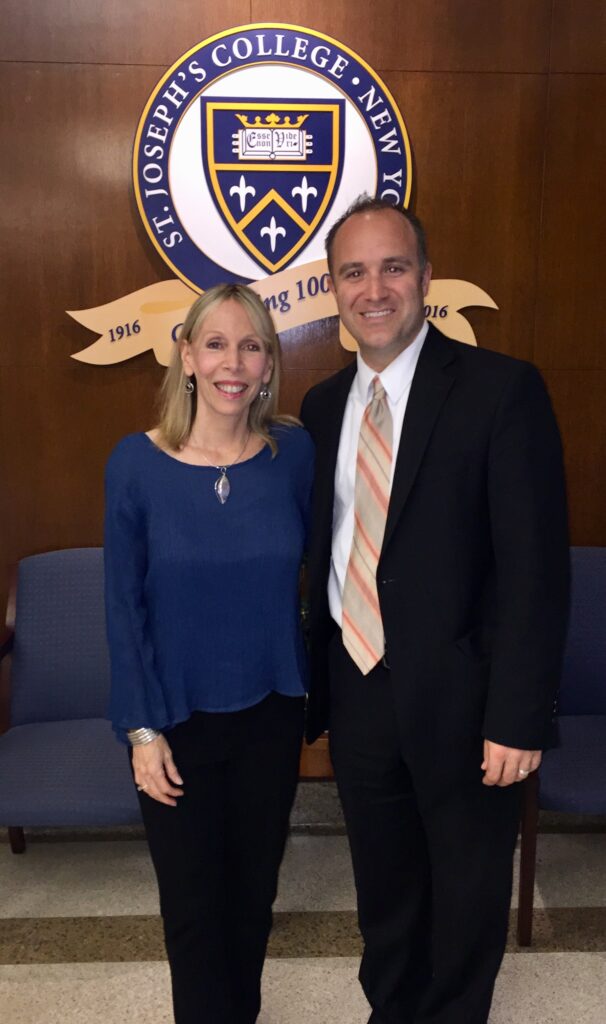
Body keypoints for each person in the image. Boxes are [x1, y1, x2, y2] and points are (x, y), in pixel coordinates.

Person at [300, 196, 569, 1024]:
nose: (373, 288)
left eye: (392, 267)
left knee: (466, 886)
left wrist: (518, 717)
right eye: (353, 272)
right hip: (359, 686)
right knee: (384, 882)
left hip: (468, 700)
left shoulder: (501, 391)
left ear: (424, 278)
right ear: (333, 289)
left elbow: (535, 569)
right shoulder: (318, 407)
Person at [104, 283, 314, 1024]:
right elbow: (122, 606)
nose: (234, 361)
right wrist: (140, 731)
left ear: (267, 363)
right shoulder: (135, 463)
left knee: (253, 896)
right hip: (174, 723)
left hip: (271, 713)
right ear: (186, 356)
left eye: (252, 345)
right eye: (217, 343)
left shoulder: (294, 456)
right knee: (193, 909)